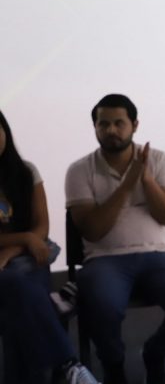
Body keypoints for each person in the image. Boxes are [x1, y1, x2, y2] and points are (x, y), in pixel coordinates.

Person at [65, 94, 165, 384]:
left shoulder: (158, 160)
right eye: (103, 124)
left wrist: (146, 179)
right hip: (104, 259)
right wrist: (129, 183)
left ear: (134, 125)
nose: (111, 130)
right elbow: (93, 230)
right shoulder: (79, 170)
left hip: (158, 255)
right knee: (101, 308)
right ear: (95, 127)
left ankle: (155, 352)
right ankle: (114, 366)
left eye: (119, 123)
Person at [0, 110, 99, 384]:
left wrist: (14, 248)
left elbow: (41, 227)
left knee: (19, 296)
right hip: (18, 266)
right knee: (19, 290)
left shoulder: (26, 172)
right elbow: (33, 237)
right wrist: (24, 239)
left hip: (26, 260)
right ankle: (69, 366)